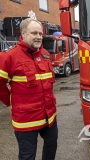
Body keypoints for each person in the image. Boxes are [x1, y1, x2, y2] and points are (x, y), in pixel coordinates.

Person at [0, 18, 58, 160]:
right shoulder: (9, 57)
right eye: (34, 33)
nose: (38, 36)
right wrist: (12, 102)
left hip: (49, 116)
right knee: (27, 156)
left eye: (40, 33)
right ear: (23, 33)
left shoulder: (45, 54)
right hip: (26, 120)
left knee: (51, 147)